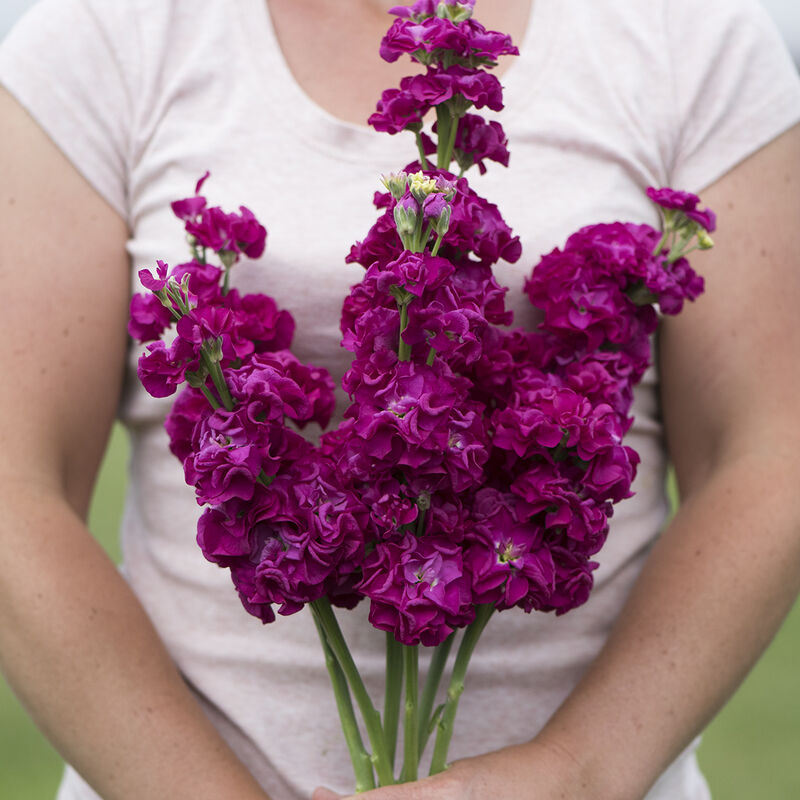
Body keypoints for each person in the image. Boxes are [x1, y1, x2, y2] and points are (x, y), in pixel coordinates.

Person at [0, 0, 799, 798]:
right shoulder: (103, 34)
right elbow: (14, 489)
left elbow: (770, 457)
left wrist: (579, 774)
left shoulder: (694, 34)